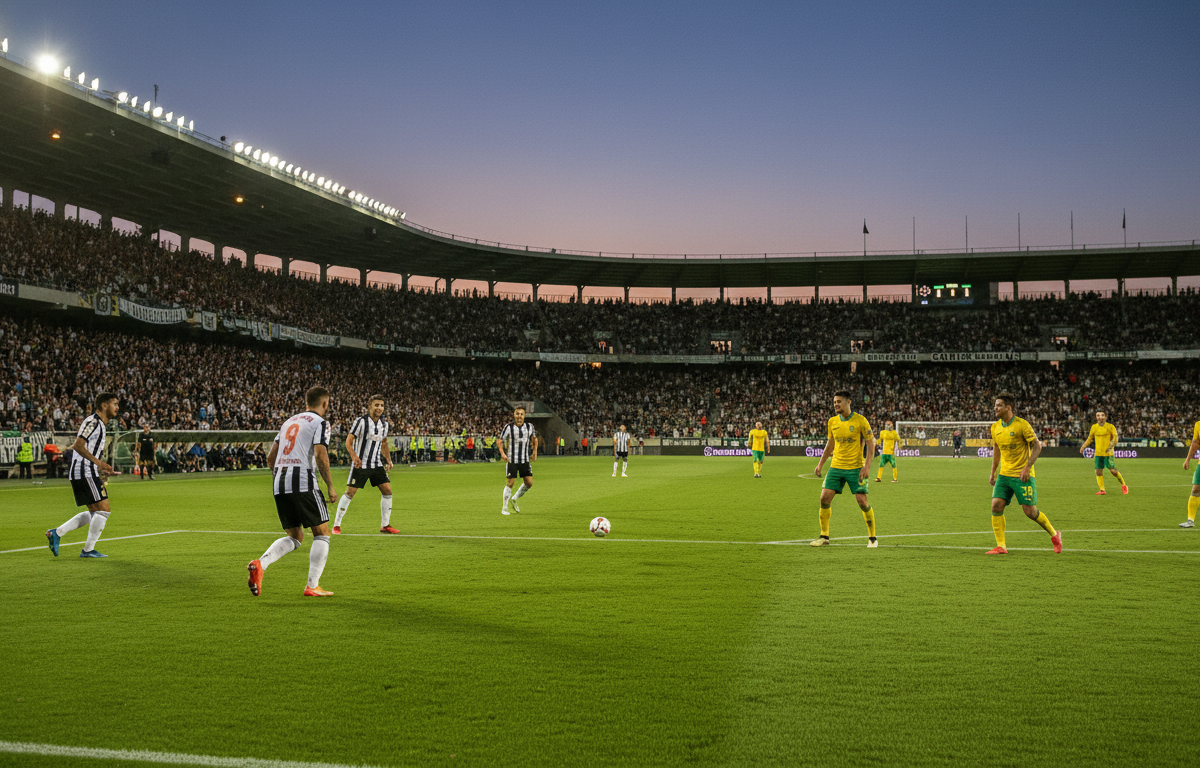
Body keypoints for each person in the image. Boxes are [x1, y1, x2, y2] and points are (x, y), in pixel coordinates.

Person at [247, 386, 340, 597]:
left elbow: (271, 459)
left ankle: (260, 563)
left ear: (306, 402)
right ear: (325, 404)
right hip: (303, 480)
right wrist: (330, 486)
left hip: (279, 482)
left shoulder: (288, 422)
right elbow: (320, 454)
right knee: (322, 532)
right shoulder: (320, 423)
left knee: (296, 536)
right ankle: (312, 586)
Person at [45, 393, 120, 559]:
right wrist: (99, 464)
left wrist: (100, 467)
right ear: (104, 405)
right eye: (114, 404)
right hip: (85, 471)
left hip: (86, 471)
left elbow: (81, 447)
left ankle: (57, 533)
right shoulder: (94, 422)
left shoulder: (98, 423)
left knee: (95, 512)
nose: (117, 407)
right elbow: (78, 445)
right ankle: (87, 550)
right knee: (104, 511)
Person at [987, 392, 1062, 554]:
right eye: (995, 405)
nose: (995, 408)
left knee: (1030, 511)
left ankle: (1055, 534)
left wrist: (1027, 467)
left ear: (1008, 407)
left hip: (1022, 475)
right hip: (1004, 475)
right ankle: (1001, 546)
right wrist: (993, 472)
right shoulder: (995, 427)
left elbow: (1037, 446)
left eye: (999, 405)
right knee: (996, 505)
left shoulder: (1022, 425)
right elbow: (996, 450)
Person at [812, 390, 878, 548]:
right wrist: (820, 464)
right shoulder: (832, 422)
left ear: (848, 402)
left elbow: (871, 443)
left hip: (855, 468)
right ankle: (824, 536)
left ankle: (873, 539)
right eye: (834, 402)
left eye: (839, 401)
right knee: (824, 499)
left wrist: (867, 466)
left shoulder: (860, 421)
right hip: (836, 466)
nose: (836, 404)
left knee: (862, 501)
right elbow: (830, 443)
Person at [332, 395, 398, 535]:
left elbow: (384, 443)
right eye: (376, 405)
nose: (379, 408)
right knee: (350, 492)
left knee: (387, 491)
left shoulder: (384, 425)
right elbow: (348, 442)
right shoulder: (361, 422)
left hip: (376, 464)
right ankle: (336, 525)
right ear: (370, 406)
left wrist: (389, 460)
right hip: (360, 464)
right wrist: (354, 457)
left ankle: (385, 525)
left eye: (381, 405)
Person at [498, 406, 536, 514]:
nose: (519, 416)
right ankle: (504, 508)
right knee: (510, 482)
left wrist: (534, 452)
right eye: (517, 414)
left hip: (525, 460)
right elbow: (500, 441)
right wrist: (502, 454)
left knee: (529, 483)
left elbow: (534, 439)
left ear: (524, 416)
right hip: (512, 460)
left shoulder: (529, 427)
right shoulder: (508, 427)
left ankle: (514, 498)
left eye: (521, 414)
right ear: (514, 415)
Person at [1079, 411, 1127, 495]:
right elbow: (1090, 438)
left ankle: (1123, 485)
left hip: (1108, 454)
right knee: (1098, 471)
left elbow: (1115, 438)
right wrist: (1083, 446)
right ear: (1096, 417)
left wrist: (1111, 446)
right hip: (1098, 453)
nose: (1100, 417)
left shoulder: (1110, 427)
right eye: (1098, 415)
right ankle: (1102, 490)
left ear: (1105, 417)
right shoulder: (1094, 427)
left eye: (1102, 415)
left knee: (1113, 471)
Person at [1180, 418, 1200, 528]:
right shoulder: (1198, 425)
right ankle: (1190, 520)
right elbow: (1195, 443)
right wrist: (1187, 460)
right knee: (1196, 489)